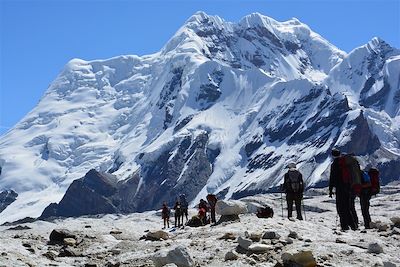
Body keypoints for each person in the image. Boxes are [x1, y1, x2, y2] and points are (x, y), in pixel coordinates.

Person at [329, 149, 358, 231]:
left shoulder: (334, 164)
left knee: (340, 208)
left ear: (333, 155)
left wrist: (330, 190)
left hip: (339, 188)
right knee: (347, 207)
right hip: (348, 187)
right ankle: (353, 225)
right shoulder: (346, 163)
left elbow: (332, 178)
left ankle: (344, 226)